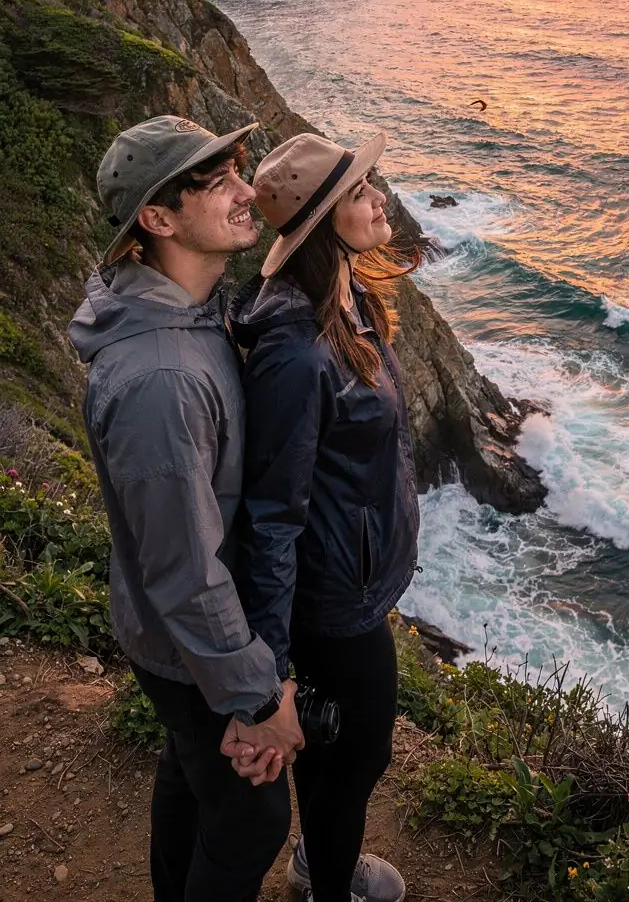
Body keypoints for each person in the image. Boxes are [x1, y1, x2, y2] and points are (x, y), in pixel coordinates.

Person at [68, 115, 304, 902]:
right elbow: (185, 570)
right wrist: (256, 698)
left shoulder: (188, 314)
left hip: (172, 641)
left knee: (193, 777)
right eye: (220, 184)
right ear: (158, 219)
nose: (249, 192)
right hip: (191, 647)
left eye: (239, 171)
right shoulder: (163, 379)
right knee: (253, 820)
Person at [229, 131, 421, 902]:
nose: (380, 201)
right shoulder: (298, 349)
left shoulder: (351, 296)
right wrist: (271, 673)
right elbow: (272, 517)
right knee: (358, 753)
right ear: (324, 223)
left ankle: (321, 857)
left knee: (359, 749)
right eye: (361, 194)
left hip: (359, 572)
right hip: (331, 598)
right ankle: (326, 882)